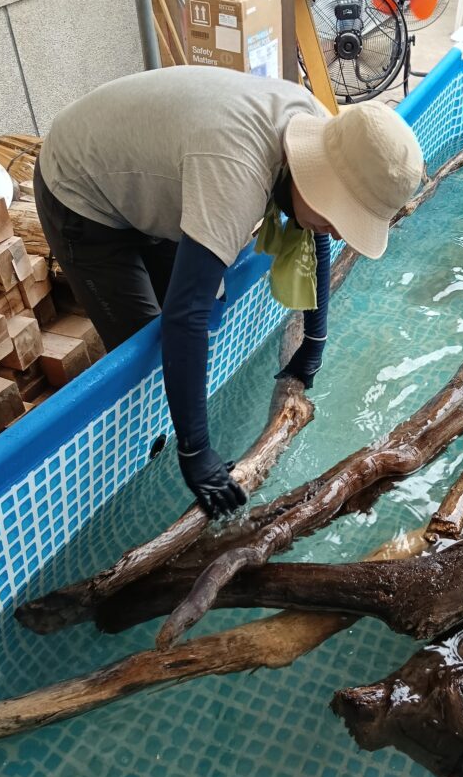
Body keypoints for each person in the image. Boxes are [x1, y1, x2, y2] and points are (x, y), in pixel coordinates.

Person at [34, 66, 424, 520]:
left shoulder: (327, 135)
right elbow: (185, 317)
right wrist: (195, 451)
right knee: (148, 353)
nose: (337, 232)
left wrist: (314, 340)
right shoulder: (238, 173)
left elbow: (314, 232)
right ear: (316, 178)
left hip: (153, 167)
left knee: (190, 318)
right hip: (80, 187)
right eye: (341, 216)